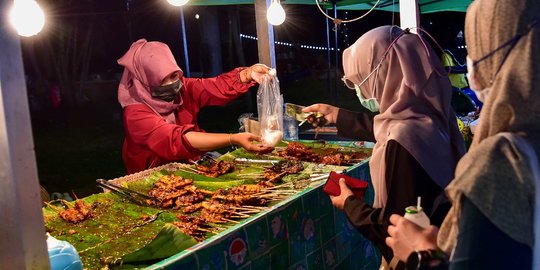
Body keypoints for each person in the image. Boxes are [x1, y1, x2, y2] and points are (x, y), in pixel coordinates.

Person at [385, 0, 539, 269]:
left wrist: (419, 252)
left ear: (497, 52)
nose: (471, 62)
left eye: (477, 46)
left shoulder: (503, 161)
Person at [303, 26, 466, 266]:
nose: (361, 90)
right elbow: (385, 126)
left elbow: (394, 230)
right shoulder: (432, 114)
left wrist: (349, 204)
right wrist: (335, 114)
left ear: (384, 74)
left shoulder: (404, 140)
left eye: (362, 80)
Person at [118, 39, 273, 174]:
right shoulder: (135, 114)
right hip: (152, 178)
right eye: (161, 80)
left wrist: (247, 74)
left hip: (189, 166)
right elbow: (176, 139)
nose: (171, 84)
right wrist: (232, 139)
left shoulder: (183, 88)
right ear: (145, 80)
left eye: (173, 75)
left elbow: (214, 86)